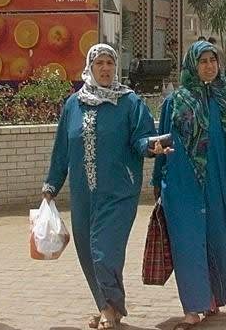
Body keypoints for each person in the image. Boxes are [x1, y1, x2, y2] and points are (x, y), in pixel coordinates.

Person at [42, 44, 167, 330]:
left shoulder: (129, 102)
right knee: (87, 252)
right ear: (90, 67)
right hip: (83, 194)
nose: (106, 68)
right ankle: (106, 305)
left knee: (104, 251)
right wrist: (51, 185)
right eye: (99, 63)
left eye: (110, 63)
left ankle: (110, 307)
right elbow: (62, 148)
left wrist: (152, 146)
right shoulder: (74, 104)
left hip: (119, 191)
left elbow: (142, 138)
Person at [152, 40, 226, 329]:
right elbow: (164, 143)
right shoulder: (175, 103)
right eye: (203, 61)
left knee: (222, 243)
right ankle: (192, 308)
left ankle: (212, 296)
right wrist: (157, 181)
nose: (209, 66)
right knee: (188, 246)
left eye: (213, 60)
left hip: (219, 184)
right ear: (192, 65)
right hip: (182, 185)